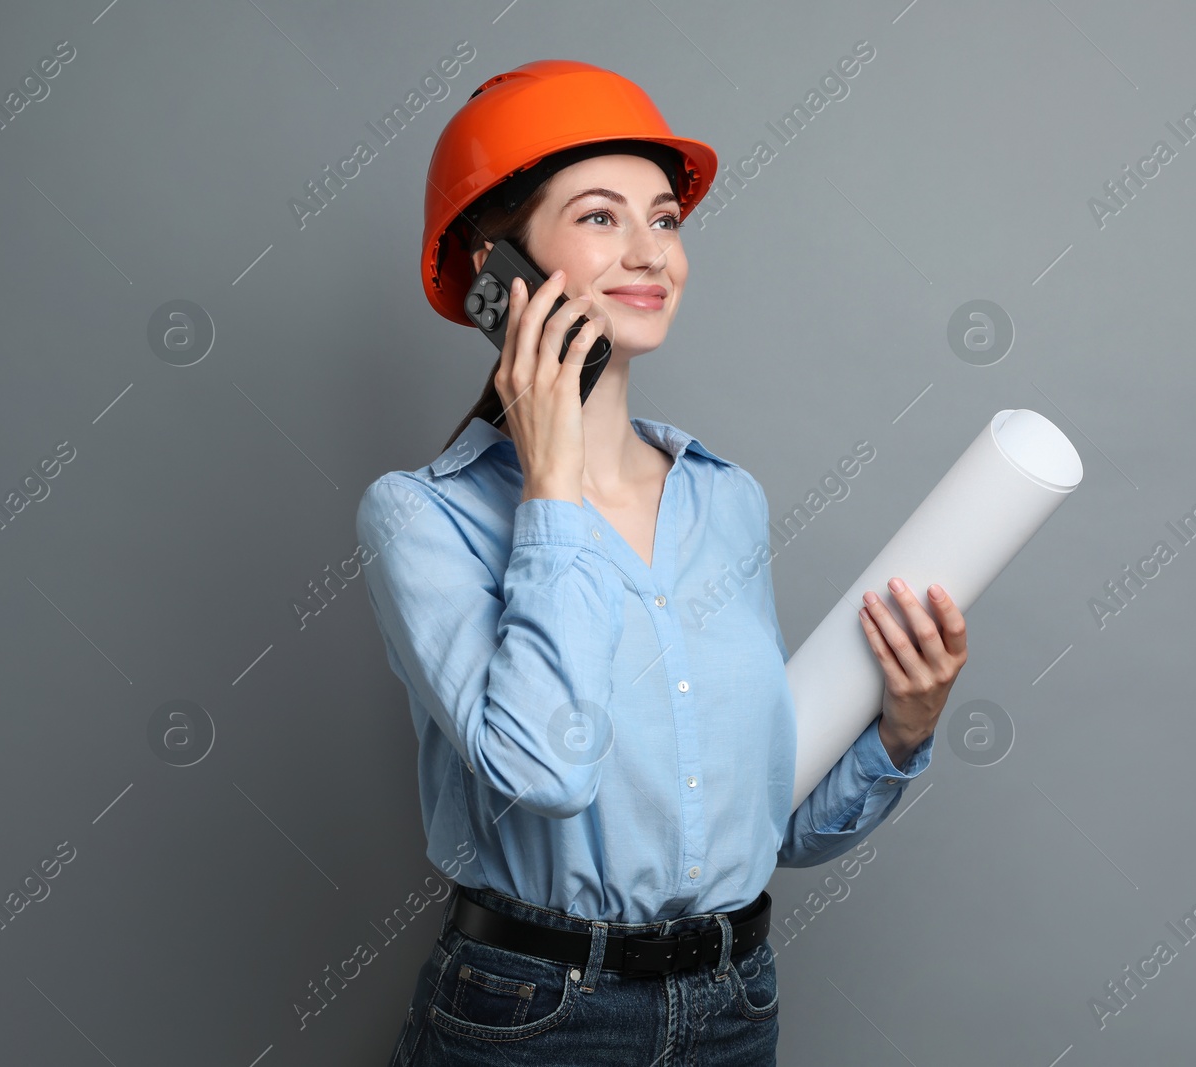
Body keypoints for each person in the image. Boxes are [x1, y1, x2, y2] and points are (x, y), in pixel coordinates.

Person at [357, 60, 969, 1067]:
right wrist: (554, 485)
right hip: (529, 1017)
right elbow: (543, 770)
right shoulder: (422, 518)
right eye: (601, 218)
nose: (650, 252)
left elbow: (766, 830)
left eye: (666, 220)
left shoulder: (723, 501)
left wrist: (900, 732)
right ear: (494, 268)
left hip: (733, 1004)